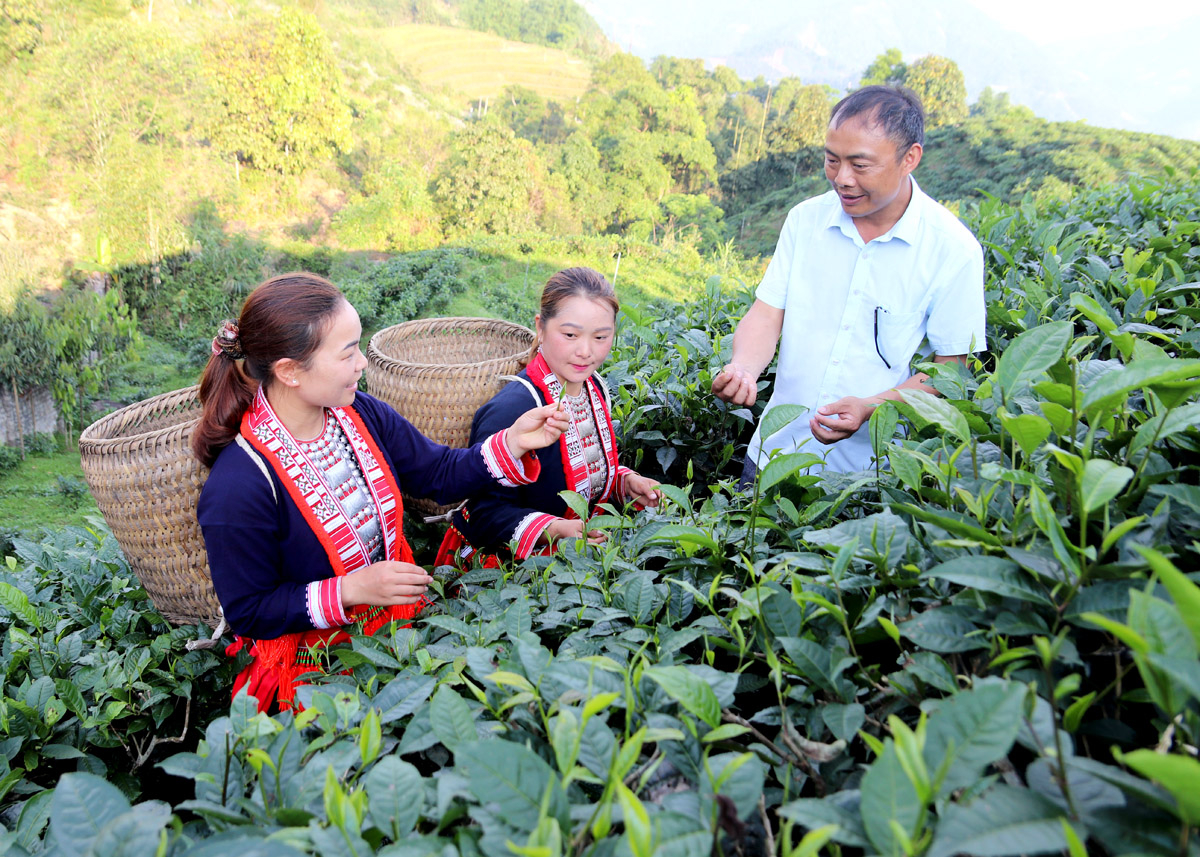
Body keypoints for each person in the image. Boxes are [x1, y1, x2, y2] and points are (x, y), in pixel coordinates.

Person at [194, 273, 569, 710]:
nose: (362, 364)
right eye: (348, 352)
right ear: (290, 371)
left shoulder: (358, 413)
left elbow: (438, 474)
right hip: (318, 675)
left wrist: (514, 442)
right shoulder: (238, 486)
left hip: (399, 629)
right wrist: (350, 590)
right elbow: (249, 609)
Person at [711, 85, 985, 477]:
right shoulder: (805, 221)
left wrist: (872, 406)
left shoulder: (952, 250)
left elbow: (952, 371)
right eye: (831, 160)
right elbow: (767, 315)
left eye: (860, 165)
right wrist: (742, 368)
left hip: (865, 474)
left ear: (910, 158)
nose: (842, 178)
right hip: (773, 455)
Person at [436, 267, 661, 565]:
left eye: (600, 337)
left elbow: (582, 472)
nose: (585, 351)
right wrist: (553, 529)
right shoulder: (513, 408)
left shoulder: (594, 388)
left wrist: (624, 482)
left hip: (581, 555)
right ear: (541, 328)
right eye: (570, 335)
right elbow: (485, 514)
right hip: (509, 568)